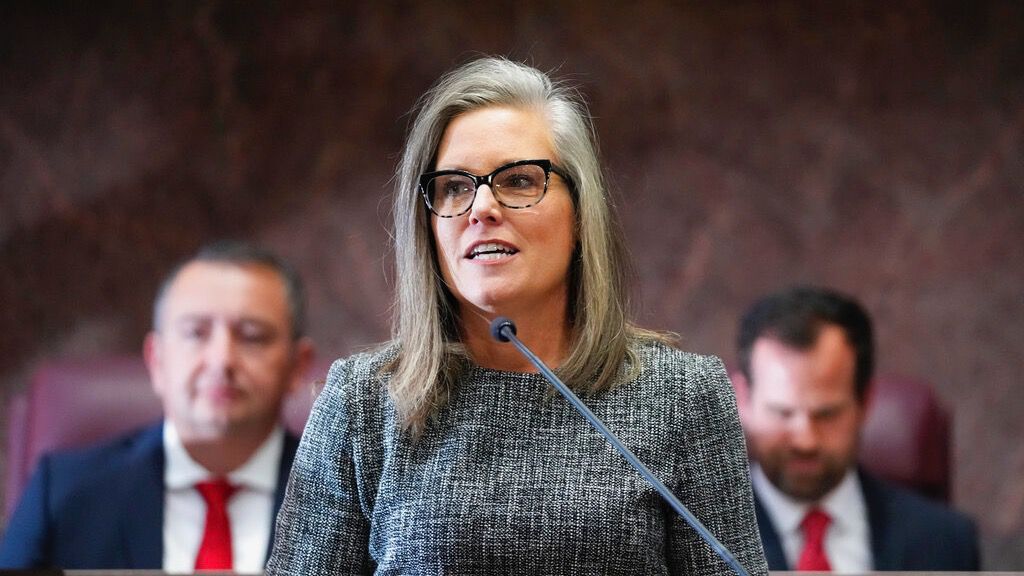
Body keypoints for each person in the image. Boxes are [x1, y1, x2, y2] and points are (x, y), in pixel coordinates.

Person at [266, 57, 767, 576]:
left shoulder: (685, 394)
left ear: (581, 214)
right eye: (454, 187)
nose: (481, 206)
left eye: (520, 181)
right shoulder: (361, 400)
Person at [0, 241, 315, 572]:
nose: (221, 360)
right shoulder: (66, 491)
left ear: (297, 365)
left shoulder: (344, 496)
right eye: (196, 333)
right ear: (156, 360)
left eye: (252, 336)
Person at [735, 286, 980, 571]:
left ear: (865, 401)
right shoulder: (690, 542)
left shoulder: (945, 541)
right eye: (783, 412)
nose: (806, 441)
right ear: (742, 398)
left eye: (827, 414)